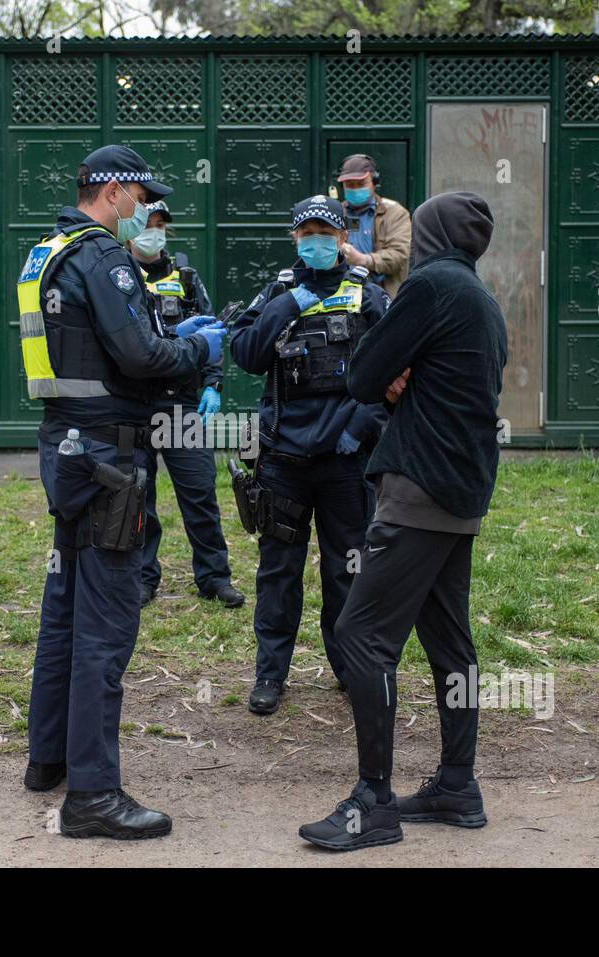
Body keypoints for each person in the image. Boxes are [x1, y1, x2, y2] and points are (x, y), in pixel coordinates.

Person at [18, 145, 227, 839]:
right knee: (105, 629)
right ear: (112, 190)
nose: (145, 208)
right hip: (110, 455)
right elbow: (137, 356)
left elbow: (93, 348)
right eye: (141, 194)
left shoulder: (44, 252)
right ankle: (93, 796)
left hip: (67, 448)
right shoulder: (104, 255)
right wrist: (199, 347)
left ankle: (48, 757)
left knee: (65, 611)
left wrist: (167, 331)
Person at [299, 191, 507, 852]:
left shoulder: (429, 287)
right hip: (463, 496)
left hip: (416, 490)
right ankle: (457, 785)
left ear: (435, 234)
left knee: (361, 635)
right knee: (451, 644)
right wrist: (407, 381)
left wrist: (393, 379)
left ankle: (373, 801)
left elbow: (362, 376)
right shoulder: (484, 301)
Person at [229, 195, 389, 717]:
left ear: (343, 237)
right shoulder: (277, 290)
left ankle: (348, 670)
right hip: (283, 460)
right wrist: (287, 305)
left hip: (346, 461)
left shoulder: (366, 294)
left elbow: (393, 371)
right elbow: (248, 355)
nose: (316, 241)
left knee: (348, 570)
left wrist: (360, 428)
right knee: (279, 572)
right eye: (306, 234)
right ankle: (270, 674)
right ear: (294, 238)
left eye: (326, 232)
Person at [129, 200, 244, 609]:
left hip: (183, 406)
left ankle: (214, 577)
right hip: (136, 404)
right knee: (137, 495)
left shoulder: (188, 278)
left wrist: (214, 385)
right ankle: (143, 577)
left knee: (199, 492)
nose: (154, 232)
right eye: (149, 224)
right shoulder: (118, 275)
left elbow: (213, 335)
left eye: (161, 225)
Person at [334, 153, 411, 297]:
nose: (355, 188)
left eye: (361, 183)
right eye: (349, 184)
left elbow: (398, 256)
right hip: (342, 296)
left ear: (374, 182)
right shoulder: (335, 213)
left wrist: (361, 260)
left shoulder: (395, 212)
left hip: (384, 294)